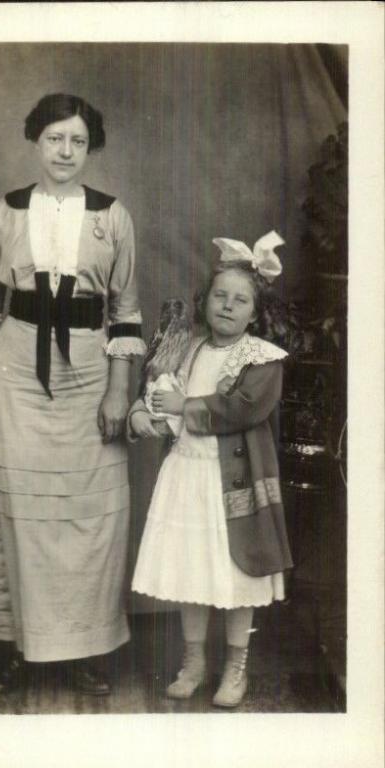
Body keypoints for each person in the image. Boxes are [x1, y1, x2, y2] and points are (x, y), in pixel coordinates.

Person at [0, 93, 146, 695]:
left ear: (90, 149)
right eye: (54, 139)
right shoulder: (5, 213)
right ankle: (19, 645)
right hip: (13, 374)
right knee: (15, 513)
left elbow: (126, 313)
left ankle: (86, 646)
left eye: (78, 142)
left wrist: (120, 391)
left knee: (91, 517)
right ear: (36, 142)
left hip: (90, 374)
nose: (65, 152)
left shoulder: (113, 216)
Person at [128, 232, 293, 708]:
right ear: (206, 302)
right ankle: (195, 661)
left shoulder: (262, 358)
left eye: (240, 300)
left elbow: (242, 408)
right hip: (188, 475)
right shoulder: (190, 350)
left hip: (233, 482)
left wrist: (186, 405)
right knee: (193, 572)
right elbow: (167, 397)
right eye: (220, 295)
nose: (228, 306)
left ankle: (236, 667)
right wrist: (149, 413)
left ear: (254, 313)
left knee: (238, 574)